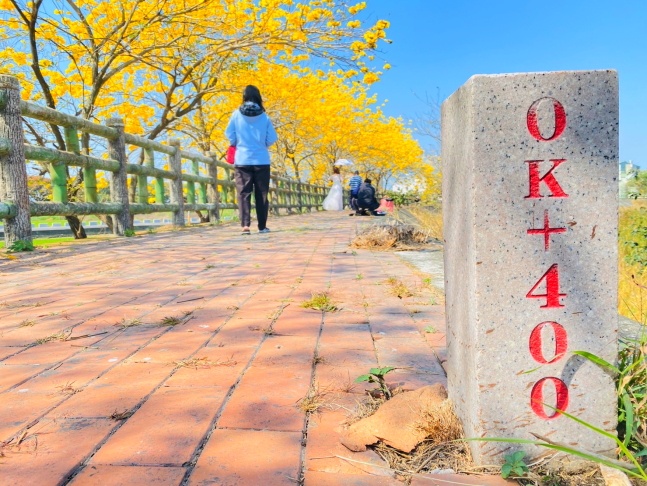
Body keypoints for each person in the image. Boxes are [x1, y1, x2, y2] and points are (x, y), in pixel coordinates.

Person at [225, 85, 278, 235]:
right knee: (261, 194)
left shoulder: (236, 114)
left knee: (243, 193)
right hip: (261, 159)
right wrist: (261, 145)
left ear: (244, 96)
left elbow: (229, 134)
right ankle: (262, 227)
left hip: (242, 159)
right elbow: (272, 138)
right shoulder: (264, 116)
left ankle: (245, 226)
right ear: (258, 97)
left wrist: (238, 143)